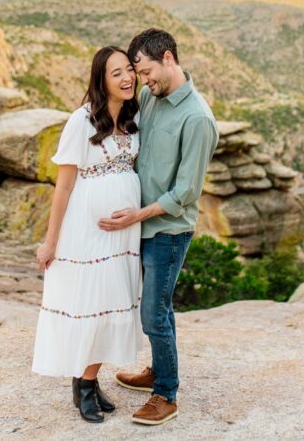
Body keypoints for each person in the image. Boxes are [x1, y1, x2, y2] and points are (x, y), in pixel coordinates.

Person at [98, 28, 219, 426]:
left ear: (168, 58)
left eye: (147, 71)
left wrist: (137, 215)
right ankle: (156, 370)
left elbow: (185, 192)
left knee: (154, 313)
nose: (142, 81)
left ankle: (166, 392)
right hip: (139, 226)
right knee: (150, 308)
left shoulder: (197, 118)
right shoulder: (151, 96)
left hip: (167, 231)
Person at [31, 46, 145, 423]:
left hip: (123, 235)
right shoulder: (81, 121)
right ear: (101, 79)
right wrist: (50, 242)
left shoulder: (135, 116)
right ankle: (83, 387)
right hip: (88, 233)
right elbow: (62, 188)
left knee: (111, 301)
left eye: (129, 69)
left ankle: (89, 382)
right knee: (91, 305)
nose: (127, 78)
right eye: (116, 73)